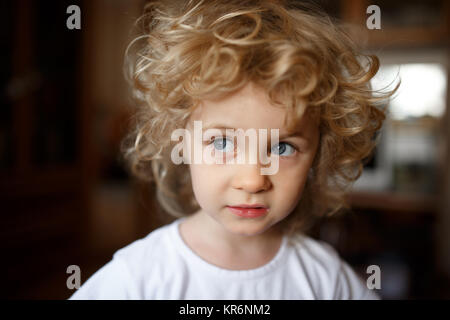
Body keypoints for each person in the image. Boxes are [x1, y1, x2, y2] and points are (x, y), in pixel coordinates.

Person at [70, 0, 397, 300]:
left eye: (282, 148)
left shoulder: (325, 279)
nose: (253, 180)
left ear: (317, 154)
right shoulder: (138, 277)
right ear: (182, 144)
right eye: (223, 143)